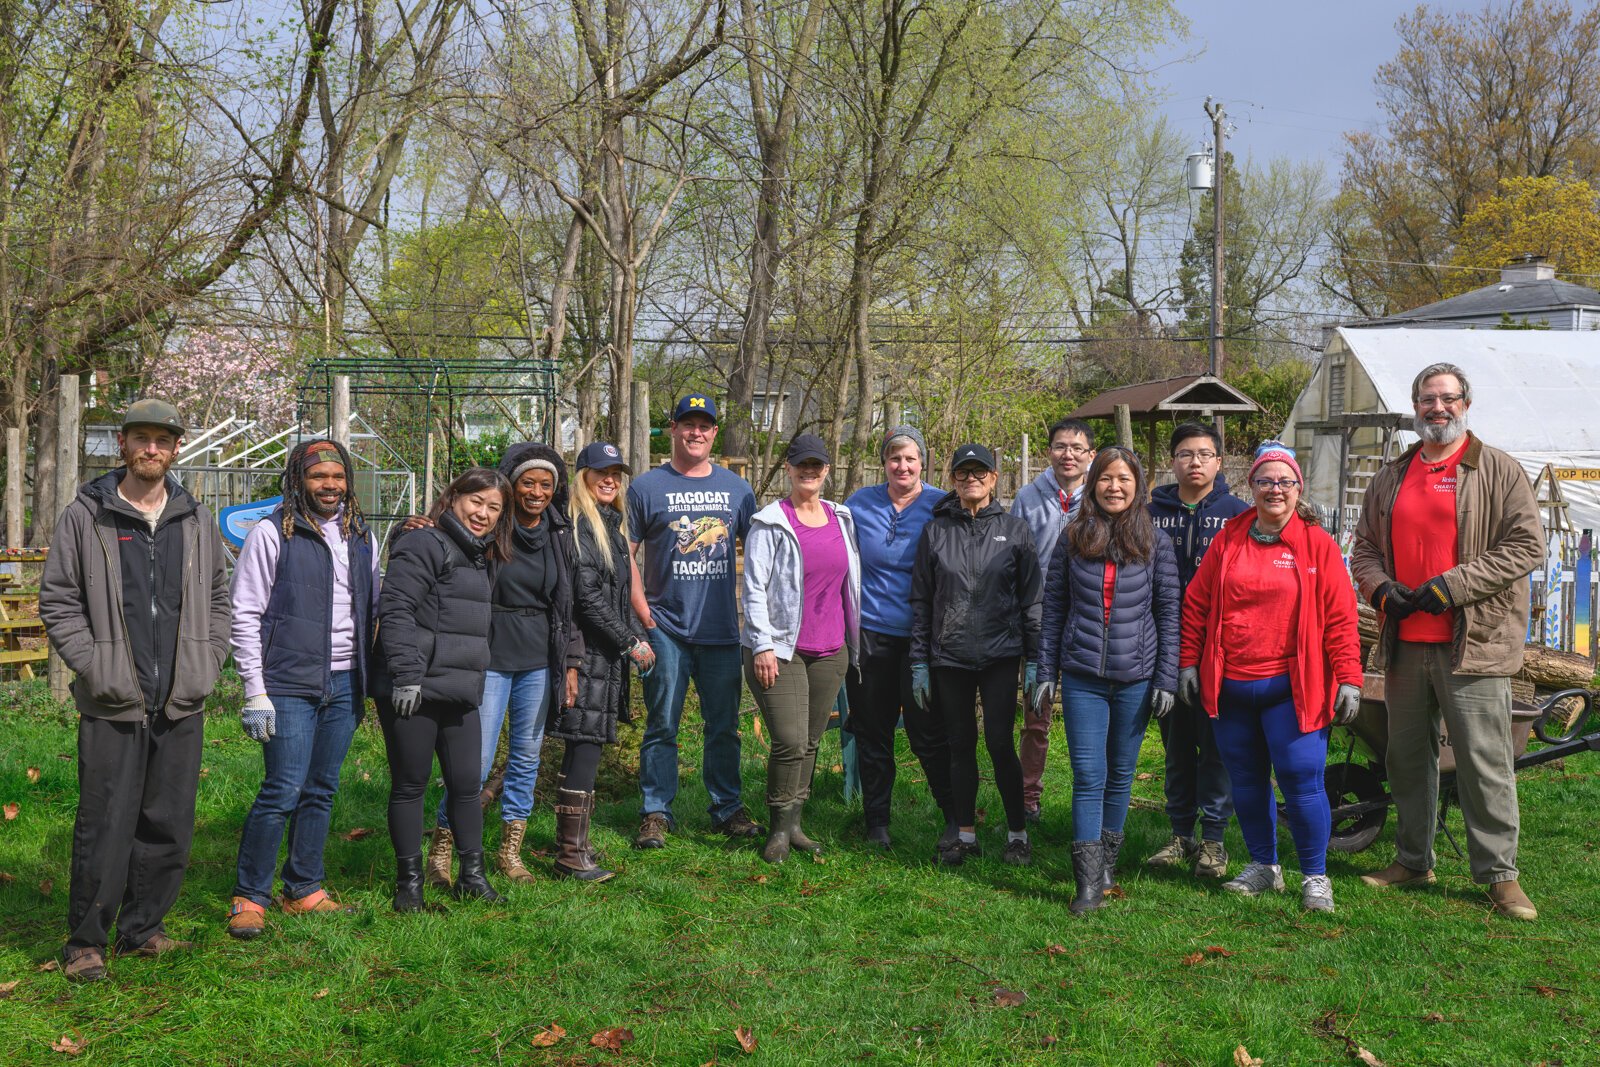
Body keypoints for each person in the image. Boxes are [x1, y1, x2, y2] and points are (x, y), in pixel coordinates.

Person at [39, 399, 231, 981]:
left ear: (176, 449)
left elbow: (220, 598)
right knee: (106, 821)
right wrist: (94, 667)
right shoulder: (87, 515)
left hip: (180, 698)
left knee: (169, 820)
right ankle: (85, 941)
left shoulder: (195, 518)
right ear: (122, 445)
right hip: (113, 700)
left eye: (163, 440)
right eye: (141, 438)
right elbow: (59, 599)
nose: (152, 449)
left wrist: (209, 662)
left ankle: (144, 928)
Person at [1351, 362, 1544, 921]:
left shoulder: (1497, 469)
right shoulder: (1392, 474)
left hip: (1474, 644)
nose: (1438, 408)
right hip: (1406, 642)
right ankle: (1414, 860)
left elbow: (1526, 546)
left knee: (1485, 763)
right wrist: (1383, 589)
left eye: (1448, 399)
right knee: (1407, 758)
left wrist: (1451, 587)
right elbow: (1362, 547)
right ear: (1414, 406)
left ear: (1466, 403)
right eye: (1427, 399)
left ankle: (1499, 876)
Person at [1178, 442, 1362, 913]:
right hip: (1232, 685)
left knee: (1302, 781)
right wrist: (1187, 662)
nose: (1274, 489)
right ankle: (1264, 866)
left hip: (1293, 687)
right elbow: (1197, 605)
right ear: (1251, 486)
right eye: (1265, 481)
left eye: (1284, 482)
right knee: (1247, 781)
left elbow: (1341, 617)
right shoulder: (1229, 539)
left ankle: (1315, 876)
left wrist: (1349, 678)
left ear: (1298, 489)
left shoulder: (1316, 544)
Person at [226, 439, 380, 940]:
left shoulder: (362, 537)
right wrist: (255, 689)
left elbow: (373, 609)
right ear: (299, 480)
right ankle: (250, 896)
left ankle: (304, 887)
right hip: (287, 684)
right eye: (319, 477)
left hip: (345, 682)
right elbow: (244, 613)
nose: (329, 486)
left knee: (322, 788)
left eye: (337, 477)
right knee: (282, 790)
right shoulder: (274, 534)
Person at [424, 443, 581, 889]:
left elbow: (566, 607)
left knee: (527, 759)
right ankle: (442, 849)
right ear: (511, 485)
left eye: (546, 484)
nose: (536, 492)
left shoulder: (558, 533)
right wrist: (411, 526)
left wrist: (570, 663)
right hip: (489, 656)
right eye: (528, 482)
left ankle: (509, 851)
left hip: (538, 660)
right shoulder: (491, 527)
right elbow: (440, 537)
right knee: (475, 761)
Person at [1035, 447, 1179, 914]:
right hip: (1083, 678)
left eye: (1124, 479)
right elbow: (1053, 608)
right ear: (1093, 483)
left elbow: (1169, 613)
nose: (1114, 487)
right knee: (1088, 776)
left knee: (1120, 775)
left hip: (1136, 677)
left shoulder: (1157, 543)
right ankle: (1087, 883)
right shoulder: (1073, 538)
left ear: (1138, 485)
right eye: (1105, 479)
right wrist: (1045, 670)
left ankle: (1108, 864)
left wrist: (1167, 677)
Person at [376, 467, 514, 909]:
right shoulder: (424, 541)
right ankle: (409, 887)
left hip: (458, 687)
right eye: (477, 502)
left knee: (466, 785)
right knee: (411, 785)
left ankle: (472, 876)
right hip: (414, 688)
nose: (484, 514)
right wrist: (405, 674)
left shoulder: (479, 554)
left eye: (494, 508)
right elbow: (395, 607)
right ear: (454, 497)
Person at [628, 394, 760, 848]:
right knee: (662, 722)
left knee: (723, 724)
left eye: (705, 425)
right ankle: (655, 812)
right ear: (673, 428)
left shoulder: (738, 490)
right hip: (665, 627)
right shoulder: (646, 487)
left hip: (722, 629)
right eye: (688, 424)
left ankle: (727, 808)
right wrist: (643, 614)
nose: (696, 432)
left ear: (714, 433)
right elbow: (625, 554)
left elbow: (760, 555)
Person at [911, 444, 1041, 867]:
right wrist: (918, 661)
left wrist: (1035, 659)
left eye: (979, 472)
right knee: (960, 743)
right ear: (952, 479)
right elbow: (921, 601)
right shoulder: (935, 532)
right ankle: (964, 834)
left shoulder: (1016, 530)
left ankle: (1018, 833)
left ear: (994, 478)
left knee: (1000, 743)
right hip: (949, 655)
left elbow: (1031, 599)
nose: (972, 479)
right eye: (963, 472)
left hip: (1002, 654)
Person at [742, 434, 861, 863]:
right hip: (781, 647)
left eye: (817, 465)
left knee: (810, 741)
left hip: (832, 648)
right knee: (789, 740)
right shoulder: (771, 521)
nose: (809, 472)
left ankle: (796, 824)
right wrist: (761, 645)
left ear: (827, 469)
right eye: (801, 465)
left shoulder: (840, 517)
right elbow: (753, 588)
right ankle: (777, 827)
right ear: (789, 468)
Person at [1145, 422, 1250, 879]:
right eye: (1186, 454)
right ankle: (1179, 833)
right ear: (1172, 460)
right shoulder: (1150, 513)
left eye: (1205, 454)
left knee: (1216, 749)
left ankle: (1214, 840)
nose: (1195, 462)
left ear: (1219, 462)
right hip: (1164, 647)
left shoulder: (1239, 515)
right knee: (1175, 746)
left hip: (1219, 652)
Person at [552, 441, 656, 882]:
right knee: (584, 745)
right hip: (588, 654)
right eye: (601, 472)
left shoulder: (609, 527)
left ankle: (577, 843)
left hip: (601, 657)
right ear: (583, 476)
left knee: (585, 745)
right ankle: (569, 854)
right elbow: (588, 598)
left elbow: (612, 594)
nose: (610, 479)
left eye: (616, 473)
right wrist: (629, 641)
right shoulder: (580, 526)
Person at [844, 426, 951, 849]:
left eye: (910, 458)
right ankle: (877, 824)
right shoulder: (858, 505)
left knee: (928, 732)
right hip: (870, 635)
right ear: (883, 462)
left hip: (923, 639)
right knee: (873, 731)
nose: (902, 466)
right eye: (894, 458)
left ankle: (954, 819)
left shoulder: (941, 504)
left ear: (922, 461)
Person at [1011, 417, 1096, 823]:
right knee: (1036, 717)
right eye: (1062, 447)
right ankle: (1028, 797)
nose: (1069, 455)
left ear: (1090, 456)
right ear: (1049, 452)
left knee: (1090, 723)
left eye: (1078, 449)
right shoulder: (1028, 497)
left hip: (1088, 622)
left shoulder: (1103, 496)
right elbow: (1012, 560)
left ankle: (1093, 801)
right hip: (1038, 624)